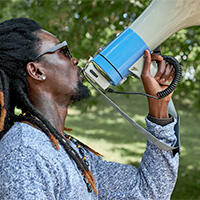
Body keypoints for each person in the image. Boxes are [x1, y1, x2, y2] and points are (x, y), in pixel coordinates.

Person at [0, 18, 178, 200]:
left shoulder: (68, 149)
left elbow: (149, 192)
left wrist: (159, 110)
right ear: (36, 71)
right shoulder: (25, 154)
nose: (75, 60)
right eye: (64, 51)